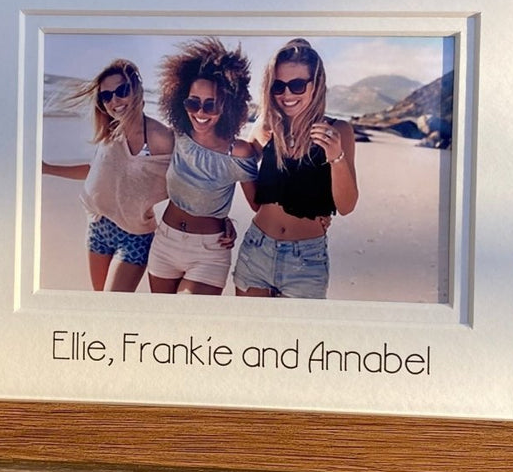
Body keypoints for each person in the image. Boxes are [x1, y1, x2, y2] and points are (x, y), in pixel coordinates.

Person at [232, 38, 358, 298]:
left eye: (297, 85)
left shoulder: (338, 131)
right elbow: (253, 196)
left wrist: (336, 157)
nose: (287, 95)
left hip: (306, 261)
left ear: (316, 85)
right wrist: (215, 220)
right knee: (247, 336)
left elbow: (346, 206)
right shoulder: (266, 129)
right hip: (256, 249)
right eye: (279, 86)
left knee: (294, 338)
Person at [43, 59, 172, 292]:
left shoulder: (160, 137)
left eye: (121, 91)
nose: (115, 101)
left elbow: (184, 184)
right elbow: (95, 171)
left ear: (135, 91)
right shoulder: (111, 132)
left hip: (134, 235)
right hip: (98, 226)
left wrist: (211, 222)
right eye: (107, 96)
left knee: (113, 304)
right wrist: (46, 168)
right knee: (100, 304)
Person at [147, 37, 258, 295]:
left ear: (228, 105)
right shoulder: (179, 136)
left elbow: (259, 205)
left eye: (211, 104)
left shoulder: (238, 152)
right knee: (163, 326)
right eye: (193, 102)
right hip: (164, 243)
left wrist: (313, 213)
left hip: (209, 253)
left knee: (188, 320)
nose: (201, 112)